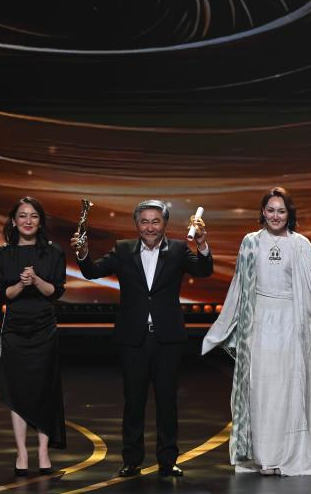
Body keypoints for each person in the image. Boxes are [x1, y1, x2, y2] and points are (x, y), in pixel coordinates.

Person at [203, 187, 311, 476]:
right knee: (261, 390)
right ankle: (264, 457)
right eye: (270, 210)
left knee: (288, 391)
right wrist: (226, 328)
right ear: (262, 213)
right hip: (259, 325)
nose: (275, 216)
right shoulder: (250, 242)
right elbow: (239, 286)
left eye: (281, 211)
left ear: (289, 214)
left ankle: (287, 456)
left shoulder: (301, 245)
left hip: (292, 325)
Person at [71, 199, 212, 477]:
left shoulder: (178, 249)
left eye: (155, 221)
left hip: (167, 339)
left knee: (167, 402)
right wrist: (83, 252)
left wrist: (202, 244)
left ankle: (167, 460)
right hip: (133, 338)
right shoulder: (123, 249)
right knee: (133, 402)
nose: (150, 227)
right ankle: (132, 460)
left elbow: (203, 270)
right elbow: (92, 271)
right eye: (144, 221)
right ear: (136, 224)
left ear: (165, 224)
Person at [0, 196, 67, 476]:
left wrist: (36, 280)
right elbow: (2, 295)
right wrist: (22, 285)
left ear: (41, 222)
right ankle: (21, 453)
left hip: (44, 329)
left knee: (45, 389)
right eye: (22, 216)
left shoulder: (53, 253)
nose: (28, 221)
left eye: (34, 216)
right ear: (14, 221)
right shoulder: (2, 255)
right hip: (14, 331)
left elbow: (55, 292)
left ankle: (43, 452)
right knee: (17, 392)